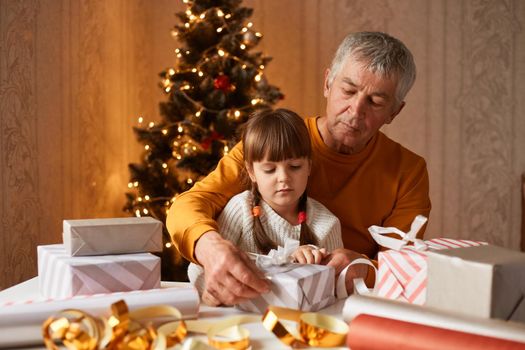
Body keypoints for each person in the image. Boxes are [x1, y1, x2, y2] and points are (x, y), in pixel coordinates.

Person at [167, 31, 431, 306]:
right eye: (348, 90)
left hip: (345, 304)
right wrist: (210, 248)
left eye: (375, 102)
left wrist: (365, 267)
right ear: (327, 83)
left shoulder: (408, 171)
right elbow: (187, 205)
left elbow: (403, 269)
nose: (355, 110)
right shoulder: (275, 144)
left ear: (394, 112)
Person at [187, 108, 344, 303]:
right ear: (251, 172)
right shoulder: (241, 209)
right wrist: (212, 290)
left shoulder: (326, 224)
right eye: (269, 170)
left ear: (309, 167)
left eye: (295, 167)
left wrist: (313, 265)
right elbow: (198, 273)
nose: (284, 178)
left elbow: (336, 292)